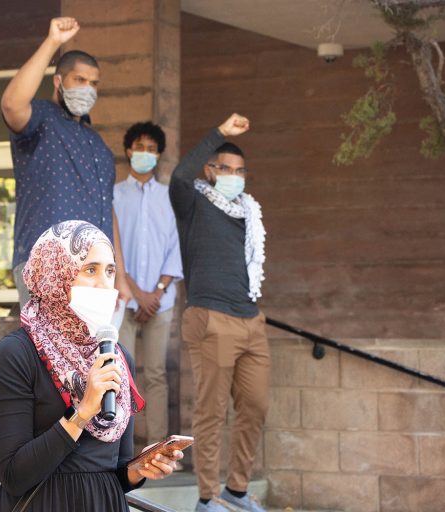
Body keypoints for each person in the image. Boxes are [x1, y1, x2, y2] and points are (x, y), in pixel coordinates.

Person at [0, 220, 183, 511]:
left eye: (110, 271)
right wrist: (84, 411)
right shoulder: (16, 353)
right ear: (55, 273)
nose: (104, 283)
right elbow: (14, 474)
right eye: (90, 270)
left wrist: (140, 469)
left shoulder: (116, 355)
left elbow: (113, 470)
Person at [169, 114, 269, 512]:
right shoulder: (192, 200)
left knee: (256, 405)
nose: (234, 176)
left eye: (241, 170)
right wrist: (218, 135)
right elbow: (178, 175)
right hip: (210, 316)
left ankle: (237, 490)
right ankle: (207, 497)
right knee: (211, 411)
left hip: (251, 318)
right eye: (226, 169)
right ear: (210, 171)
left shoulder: (249, 212)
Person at [0, 17, 132, 309]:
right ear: (59, 81)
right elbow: (11, 104)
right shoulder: (41, 120)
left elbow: (107, 211)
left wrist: (119, 275)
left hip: (95, 269)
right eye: (80, 80)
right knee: (49, 353)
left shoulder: (97, 144)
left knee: (89, 354)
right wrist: (53, 43)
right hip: (48, 261)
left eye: (94, 83)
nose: (88, 89)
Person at [113, 122, 183, 450]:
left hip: (160, 301)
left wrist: (155, 292)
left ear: (158, 155)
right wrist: (136, 292)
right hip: (122, 298)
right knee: (120, 373)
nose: (145, 153)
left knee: (156, 374)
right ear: (129, 151)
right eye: (139, 147)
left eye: (151, 149)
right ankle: (119, 445)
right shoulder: (113, 194)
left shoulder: (170, 198)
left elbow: (175, 247)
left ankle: (157, 446)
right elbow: (112, 247)